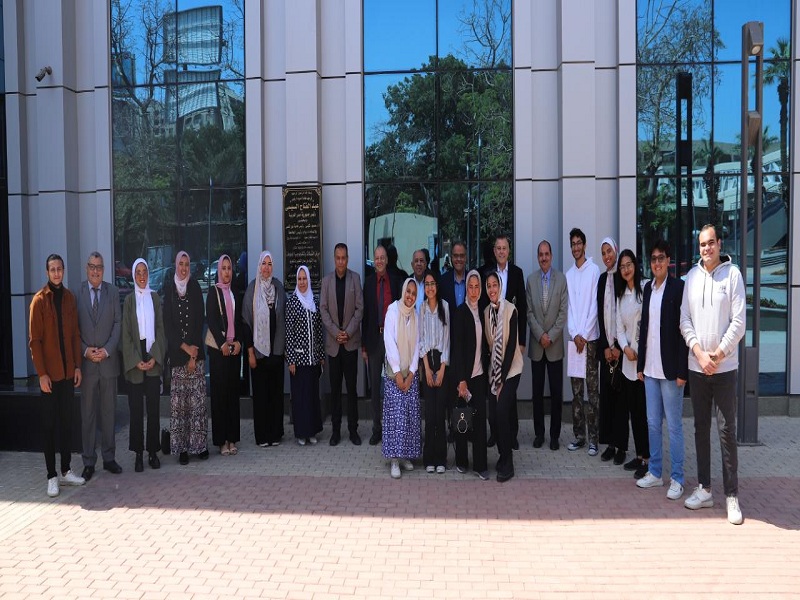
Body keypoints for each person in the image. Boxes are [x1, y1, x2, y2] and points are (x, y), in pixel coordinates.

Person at [680, 225, 746, 525]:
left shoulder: (732, 276)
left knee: (726, 432)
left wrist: (717, 355)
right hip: (697, 368)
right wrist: (699, 353)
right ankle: (705, 489)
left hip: (724, 369)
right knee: (700, 430)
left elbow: (739, 322)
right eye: (702, 244)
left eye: (711, 243)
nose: (706, 249)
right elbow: (685, 320)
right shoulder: (691, 278)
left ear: (720, 244)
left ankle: (731, 496)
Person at [29, 253, 85, 497]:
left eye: (59, 269)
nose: (56, 273)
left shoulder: (70, 298)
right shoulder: (39, 301)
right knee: (49, 426)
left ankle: (65, 470)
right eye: (52, 269)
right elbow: (35, 342)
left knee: (66, 424)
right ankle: (51, 475)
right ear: (47, 272)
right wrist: (41, 374)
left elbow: (74, 336)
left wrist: (77, 366)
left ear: (63, 270)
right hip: (49, 377)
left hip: (66, 374)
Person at [635, 240, 688, 487]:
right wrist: (640, 365)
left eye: (661, 258)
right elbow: (644, 328)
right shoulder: (647, 289)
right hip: (650, 369)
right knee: (653, 423)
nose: (657, 262)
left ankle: (677, 478)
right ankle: (655, 473)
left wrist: (681, 371)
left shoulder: (678, 288)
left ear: (668, 261)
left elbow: (683, 333)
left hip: (670, 372)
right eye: (653, 258)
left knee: (674, 427)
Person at [76, 251, 123, 481]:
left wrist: (106, 350)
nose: (96, 270)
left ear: (104, 270)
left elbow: (117, 324)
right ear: (87, 268)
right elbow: (74, 329)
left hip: (108, 362)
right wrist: (85, 350)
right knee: (88, 414)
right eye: (92, 266)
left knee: (108, 413)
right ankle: (88, 461)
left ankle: (109, 457)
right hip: (87, 365)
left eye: (100, 267)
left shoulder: (113, 292)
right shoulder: (78, 293)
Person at [163, 251, 208, 465]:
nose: (183, 268)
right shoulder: (169, 289)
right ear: (175, 265)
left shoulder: (196, 287)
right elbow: (168, 326)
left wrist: (193, 353)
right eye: (180, 264)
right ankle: (182, 448)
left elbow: (199, 320)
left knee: (197, 405)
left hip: (195, 356)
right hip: (178, 356)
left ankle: (198, 446)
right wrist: (184, 348)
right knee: (180, 406)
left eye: (186, 264)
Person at [122, 258, 166, 472]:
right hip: (135, 359)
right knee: (136, 410)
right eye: (138, 272)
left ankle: (152, 452)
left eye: (145, 272)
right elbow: (126, 335)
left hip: (152, 357)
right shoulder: (129, 300)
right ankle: (138, 454)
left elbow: (161, 329)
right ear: (133, 275)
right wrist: (135, 361)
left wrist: (154, 358)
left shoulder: (155, 298)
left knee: (154, 409)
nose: (141, 276)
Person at [482, 234, 526, 450]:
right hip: (494, 345)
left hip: (512, 340)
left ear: (509, 250)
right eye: (497, 248)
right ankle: (496, 434)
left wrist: (522, 341)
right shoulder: (487, 273)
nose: (501, 251)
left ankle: (512, 434)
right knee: (495, 394)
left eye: (504, 248)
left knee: (509, 394)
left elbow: (523, 308)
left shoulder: (516, 273)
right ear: (494, 251)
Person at [525, 240, 567, 451]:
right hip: (536, 345)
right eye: (540, 254)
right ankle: (539, 434)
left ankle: (554, 436)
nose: (543, 257)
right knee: (537, 394)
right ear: (537, 256)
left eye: (546, 254)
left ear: (551, 255)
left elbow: (562, 313)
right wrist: (540, 334)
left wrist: (550, 335)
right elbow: (529, 312)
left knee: (557, 395)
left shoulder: (561, 280)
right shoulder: (530, 280)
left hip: (555, 346)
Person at [320, 243, 364, 446]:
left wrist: (347, 332)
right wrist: (336, 333)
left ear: (347, 258)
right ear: (334, 258)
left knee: (352, 389)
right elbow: (323, 310)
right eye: (337, 258)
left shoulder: (355, 278)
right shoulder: (326, 281)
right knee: (335, 389)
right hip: (334, 344)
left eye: (344, 258)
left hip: (350, 343)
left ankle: (353, 430)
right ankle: (336, 431)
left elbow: (359, 309)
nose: (340, 261)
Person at [243, 251, 286, 447]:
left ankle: (275, 434)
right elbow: (245, 322)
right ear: (259, 266)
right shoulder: (252, 288)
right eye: (263, 264)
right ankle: (262, 436)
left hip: (276, 351)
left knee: (275, 395)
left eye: (270, 264)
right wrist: (250, 352)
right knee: (260, 396)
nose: (266, 268)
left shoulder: (278, 287)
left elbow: (285, 316)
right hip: (258, 354)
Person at [484, 271, 524, 482]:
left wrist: (500, 381)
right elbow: (488, 347)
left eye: (495, 285)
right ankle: (501, 455)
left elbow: (510, 349)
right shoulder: (485, 312)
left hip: (512, 369)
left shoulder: (511, 310)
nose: (492, 289)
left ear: (500, 287)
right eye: (488, 286)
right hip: (494, 370)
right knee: (493, 416)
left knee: (501, 411)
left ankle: (508, 463)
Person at [613, 249, 650, 474]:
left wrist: (636, 349)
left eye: (629, 264)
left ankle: (647, 458)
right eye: (622, 266)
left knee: (643, 413)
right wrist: (625, 348)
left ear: (635, 265)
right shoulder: (621, 295)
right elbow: (619, 327)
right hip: (628, 360)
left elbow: (646, 323)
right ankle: (638, 455)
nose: (626, 269)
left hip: (643, 360)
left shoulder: (644, 289)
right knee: (632, 412)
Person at [361, 245, 402, 445]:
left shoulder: (395, 281)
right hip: (374, 340)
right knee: (375, 387)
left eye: (382, 257)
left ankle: (393, 428)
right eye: (376, 258)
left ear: (387, 260)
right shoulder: (368, 283)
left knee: (393, 385)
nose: (379, 261)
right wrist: (363, 347)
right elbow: (365, 316)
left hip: (392, 339)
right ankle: (377, 429)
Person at [565, 227, 601, 455]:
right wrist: (574, 334)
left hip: (591, 340)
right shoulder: (569, 275)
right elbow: (568, 308)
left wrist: (584, 335)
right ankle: (579, 435)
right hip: (574, 341)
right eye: (573, 244)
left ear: (585, 245)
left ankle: (594, 439)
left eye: (579, 243)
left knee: (592, 390)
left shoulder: (594, 270)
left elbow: (594, 307)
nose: (576, 247)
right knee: (576, 392)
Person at [382, 278, 421, 478]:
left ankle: (405, 455)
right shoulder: (393, 311)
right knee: (395, 417)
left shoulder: (415, 315)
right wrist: (398, 372)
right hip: (394, 374)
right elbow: (389, 341)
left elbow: (417, 347)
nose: (410, 296)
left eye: (414, 293)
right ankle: (394, 460)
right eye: (408, 292)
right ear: (403, 291)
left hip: (410, 375)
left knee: (408, 416)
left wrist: (412, 372)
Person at [451, 270, 489, 479]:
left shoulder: (483, 311)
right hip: (465, 376)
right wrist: (461, 380)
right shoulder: (460, 312)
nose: (473, 291)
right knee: (463, 419)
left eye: (477, 287)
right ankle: (462, 461)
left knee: (480, 421)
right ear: (466, 289)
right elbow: (457, 350)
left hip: (480, 375)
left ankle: (480, 465)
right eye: (470, 287)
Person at [207, 254, 244, 456]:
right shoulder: (214, 293)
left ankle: (232, 438)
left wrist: (238, 341)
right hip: (219, 352)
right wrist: (222, 343)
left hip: (233, 350)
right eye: (224, 268)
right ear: (218, 271)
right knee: (220, 396)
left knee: (232, 395)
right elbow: (211, 320)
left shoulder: (235, 293)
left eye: (229, 268)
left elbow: (238, 321)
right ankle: (221, 441)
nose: (227, 272)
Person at [285, 265, 324, 445]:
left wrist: (321, 355)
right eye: (299, 279)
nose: (302, 282)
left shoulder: (314, 300)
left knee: (312, 396)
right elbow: (289, 333)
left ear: (309, 280)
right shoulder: (292, 301)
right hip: (299, 360)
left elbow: (318, 330)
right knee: (300, 397)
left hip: (313, 359)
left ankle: (312, 431)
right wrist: (291, 359)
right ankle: (301, 432)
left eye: (304, 279)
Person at [418, 270, 450, 474]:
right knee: (430, 415)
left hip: (442, 362)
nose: (430, 287)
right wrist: (428, 370)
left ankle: (441, 459)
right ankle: (429, 457)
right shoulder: (421, 308)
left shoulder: (445, 307)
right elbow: (420, 340)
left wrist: (442, 369)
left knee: (441, 415)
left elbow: (447, 340)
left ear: (437, 286)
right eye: (427, 284)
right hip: (427, 363)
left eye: (433, 284)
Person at [597, 237, 625, 463]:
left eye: (609, 251)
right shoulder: (601, 280)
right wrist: (606, 347)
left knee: (620, 401)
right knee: (606, 399)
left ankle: (621, 448)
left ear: (616, 251)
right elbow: (601, 314)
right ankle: (609, 444)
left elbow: (623, 315)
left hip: (622, 350)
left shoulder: (623, 278)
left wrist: (618, 348)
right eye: (603, 252)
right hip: (606, 349)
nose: (607, 256)